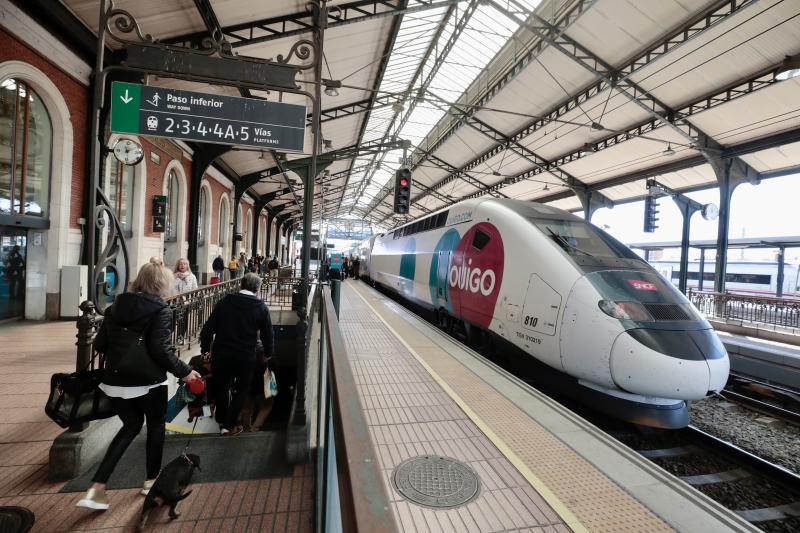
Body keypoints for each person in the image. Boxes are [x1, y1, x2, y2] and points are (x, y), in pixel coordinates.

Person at [76, 263, 200, 511]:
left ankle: (97, 487)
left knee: (130, 426)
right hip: (148, 382)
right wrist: (186, 372)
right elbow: (160, 350)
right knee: (155, 428)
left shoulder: (114, 308)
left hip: (115, 382)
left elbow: (100, 345)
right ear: (160, 284)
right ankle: (150, 481)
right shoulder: (161, 310)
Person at [200, 273, 274, 435]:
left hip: (221, 353)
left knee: (222, 388)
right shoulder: (261, 307)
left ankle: (222, 421)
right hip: (245, 356)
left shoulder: (225, 302)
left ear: (241, 285)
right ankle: (229, 424)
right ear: (257, 288)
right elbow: (268, 334)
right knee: (241, 390)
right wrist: (268, 353)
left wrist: (205, 350)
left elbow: (207, 330)